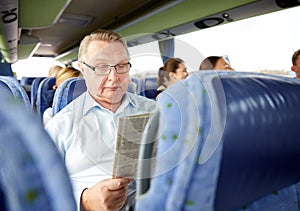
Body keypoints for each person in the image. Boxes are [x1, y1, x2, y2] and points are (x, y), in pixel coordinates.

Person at [45, 29, 156, 211]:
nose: (114, 78)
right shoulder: (61, 125)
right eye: (101, 67)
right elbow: (42, 193)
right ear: (82, 68)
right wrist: (84, 201)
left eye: (121, 66)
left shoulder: (155, 112)